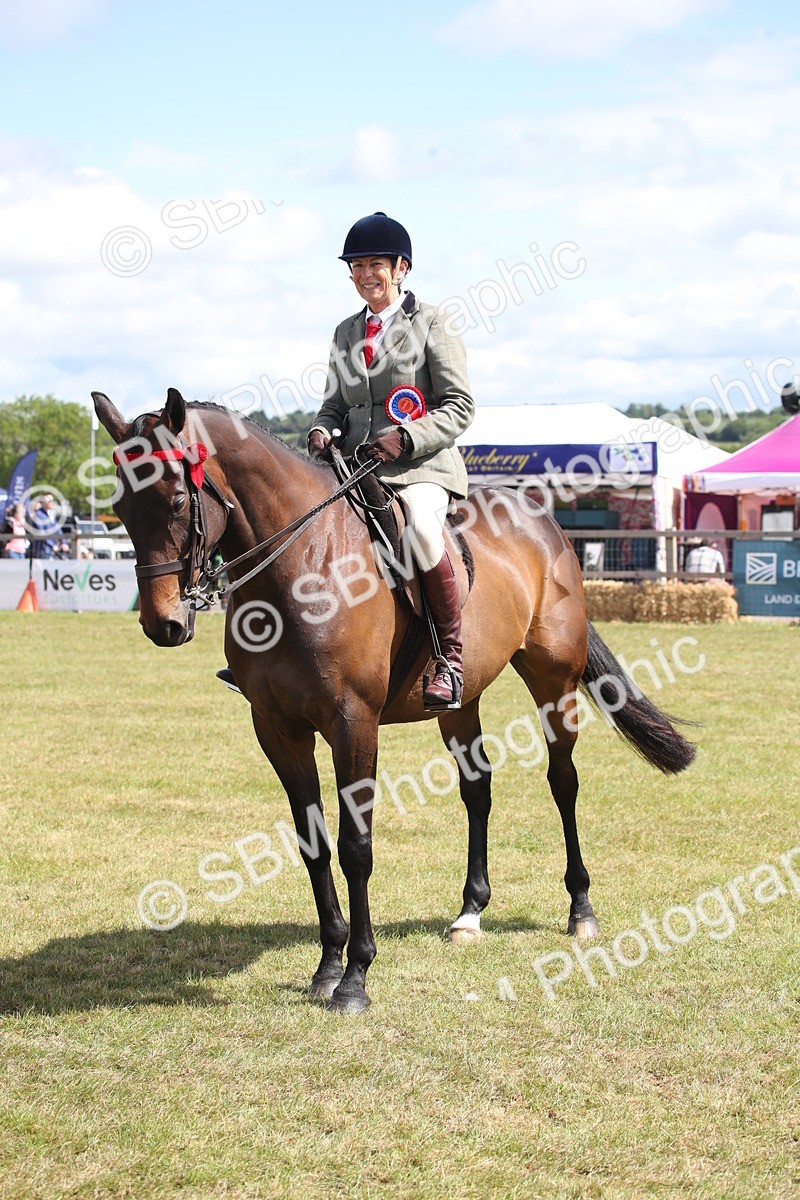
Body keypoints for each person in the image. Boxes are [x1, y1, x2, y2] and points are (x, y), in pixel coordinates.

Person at [307, 212, 475, 709]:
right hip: (355, 466)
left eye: (374, 264)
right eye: (356, 266)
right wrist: (321, 428)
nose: (364, 275)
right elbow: (335, 403)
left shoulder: (432, 322)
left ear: (401, 267)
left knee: (422, 532)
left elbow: (459, 405)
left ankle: (449, 660)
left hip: (419, 467)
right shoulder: (345, 332)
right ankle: (280, 654)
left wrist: (406, 438)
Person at [30, 495, 59, 559]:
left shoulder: (51, 514)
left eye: (52, 501)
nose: (52, 503)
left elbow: (57, 529)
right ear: (44, 503)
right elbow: (41, 533)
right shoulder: (38, 515)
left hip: (51, 549)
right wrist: (52, 545)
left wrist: (63, 542)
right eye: (50, 501)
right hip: (42, 549)